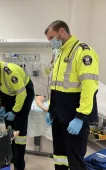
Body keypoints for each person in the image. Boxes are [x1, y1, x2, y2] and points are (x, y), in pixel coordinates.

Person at [44, 20, 99, 170]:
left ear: (62, 32)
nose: (51, 42)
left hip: (74, 117)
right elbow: (55, 86)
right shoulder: (59, 53)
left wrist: (80, 117)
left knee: (75, 160)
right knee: (60, 158)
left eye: (52, 38)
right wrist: (50, 110)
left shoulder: (83, 52)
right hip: (59, 116)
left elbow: (89, 87)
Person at [0, 54, 35, 170]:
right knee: (9, 128)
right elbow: (0, 91)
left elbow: (21, 94)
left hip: (25, 94)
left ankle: (19, 164)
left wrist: (15, 112)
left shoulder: (10, 71)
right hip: (10, 96)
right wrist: (3, 106)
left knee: (19, 130)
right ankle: (12, 156)